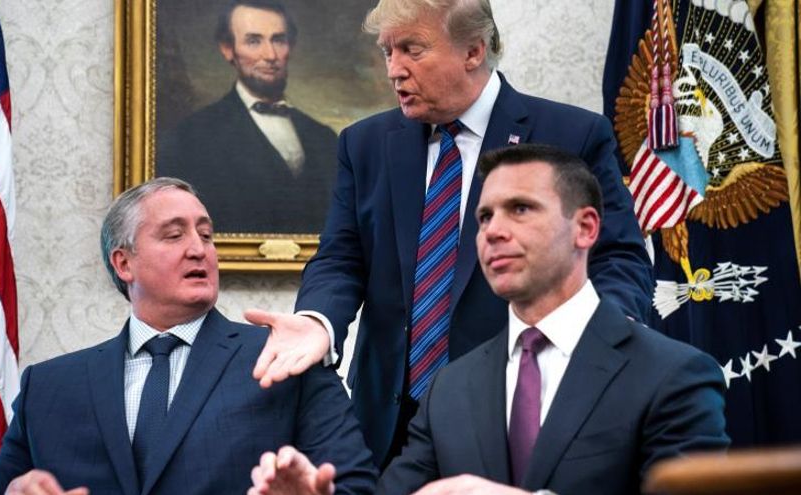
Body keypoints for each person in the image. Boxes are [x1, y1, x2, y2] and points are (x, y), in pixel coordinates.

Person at [246, 0, 655, 468]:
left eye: (411, 50)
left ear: (473, 51)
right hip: (387, 423)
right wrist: (318, 320)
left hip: (517, 409)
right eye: (387, 52)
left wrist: (599, 337)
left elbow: (618, 258)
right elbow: (342, 258)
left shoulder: (571, 134)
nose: (394, 70)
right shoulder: (364, 144)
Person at [247, 144, 729, 495]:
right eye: (483, 217)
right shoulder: (449, 389)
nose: (493, 231)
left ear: (585, 228)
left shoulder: (674, 375)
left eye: (520, 209)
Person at [0, 178, 376, 495]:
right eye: (174, 235)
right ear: (124, 263)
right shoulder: (48, 386)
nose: (198, 249)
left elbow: (355, 485)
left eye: (205, 235)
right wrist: (15, 489)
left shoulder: (284, 359)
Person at [157, 0, 337, 234]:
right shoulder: (191, 138)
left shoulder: (324, 137)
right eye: (254, 41)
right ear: (227, 49)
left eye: (278, 40)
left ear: (290, 47)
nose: (270, 54)